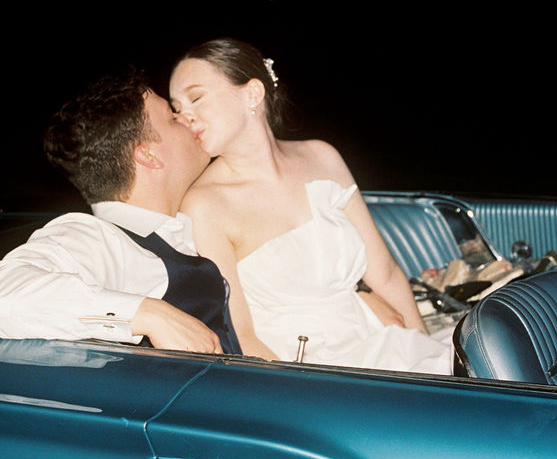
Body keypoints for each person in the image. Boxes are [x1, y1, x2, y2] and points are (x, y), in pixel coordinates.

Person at [168, 38, 450, 373]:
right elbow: (242, 337)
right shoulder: (204, 205)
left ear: (252, 94)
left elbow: (386, 274)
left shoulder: (321, 156)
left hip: (384, 342)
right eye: (177, 109)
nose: (185, 117)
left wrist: (424, 346)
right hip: (304, 372)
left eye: (196, 98)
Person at [0, 68, 241, 355]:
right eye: (173, 118)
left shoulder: (188, 227)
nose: (187, 119)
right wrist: (148, 314)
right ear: (148, 155)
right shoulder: (98, 239)